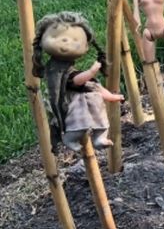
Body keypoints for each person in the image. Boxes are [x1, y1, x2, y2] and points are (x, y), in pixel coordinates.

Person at [32, 12, 124, 152]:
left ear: (86, 46)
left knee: (102, 123)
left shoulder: (66, 70)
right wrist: (91, 72)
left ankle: (99, 138)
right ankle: (69, 138)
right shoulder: (58, 71)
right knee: (79, 126)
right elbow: (77, 81)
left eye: (75, 40)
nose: (66, 42)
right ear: (41, 40)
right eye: (56, 37)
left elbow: (96, 88)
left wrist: (113, 97)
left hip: (93, 106)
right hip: (76, 107)